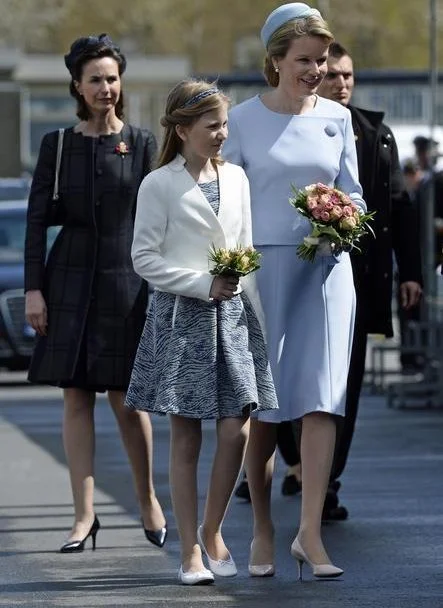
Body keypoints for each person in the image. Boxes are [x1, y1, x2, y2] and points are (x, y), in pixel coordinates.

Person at [223, 3, 363, 579]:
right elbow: (225, 200)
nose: (316, 70)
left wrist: (343, 219)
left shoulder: (338, 119)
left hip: (327, 272)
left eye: (323, 59)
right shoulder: (242, 119)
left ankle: (309, 534)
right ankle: (261, 527)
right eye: (304, 60)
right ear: (275, 61)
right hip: (263, 274)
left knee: (322, 399)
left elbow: (353, 195)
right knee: (265, 408)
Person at [125, 79, 278, 585]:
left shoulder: (236, 178)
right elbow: (144, 258)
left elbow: (246, 247)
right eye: (212, 125)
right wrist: (200, 283)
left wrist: (250, 306)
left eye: (224, 125)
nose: (221, 134)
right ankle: (190, 549)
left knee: (237, 429)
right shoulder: (159, 184)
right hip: (181, 318)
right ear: (183, 129)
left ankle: (212, 528)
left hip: (233, 315)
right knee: (185, 434)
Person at [24, 34, 166, 553]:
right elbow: (37, 221)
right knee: (75, 396)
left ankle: (147, 498)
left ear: (119, 82)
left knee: (129, 400)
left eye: (111, 78)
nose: (105, 88)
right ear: (77, 88)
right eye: (94, 80)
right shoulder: (57, 145)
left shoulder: (145, 143)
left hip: (127, 280)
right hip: (68, 279)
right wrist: (34, 290)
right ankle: (83, 517)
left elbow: (162, 215)